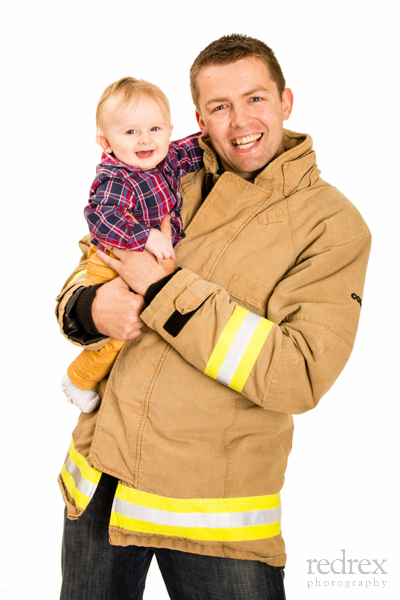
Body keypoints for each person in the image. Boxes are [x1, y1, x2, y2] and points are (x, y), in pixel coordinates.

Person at [56, 34, 371, 599]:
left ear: (286, 101)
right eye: (219, 107)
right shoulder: (164, 175)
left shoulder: (332, 225)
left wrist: (164, 288)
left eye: (255, 99)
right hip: (101, 480)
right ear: (198, 116)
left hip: (212, 514)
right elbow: (89, 265)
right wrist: (90, 307)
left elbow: (297, 374)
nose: (239, 122)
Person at [61, 77, 203, 413]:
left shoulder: (163, 160)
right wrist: (146, 236)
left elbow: (191, 150)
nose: (145, 139)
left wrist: (211, 132)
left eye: (155, 129)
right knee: (118, 332)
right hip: (112, 261)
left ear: (169, 130)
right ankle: (78, 378)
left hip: (142, 263)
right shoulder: (118, 177)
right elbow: (101, 218)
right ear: (105, 142)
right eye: (130, 132)